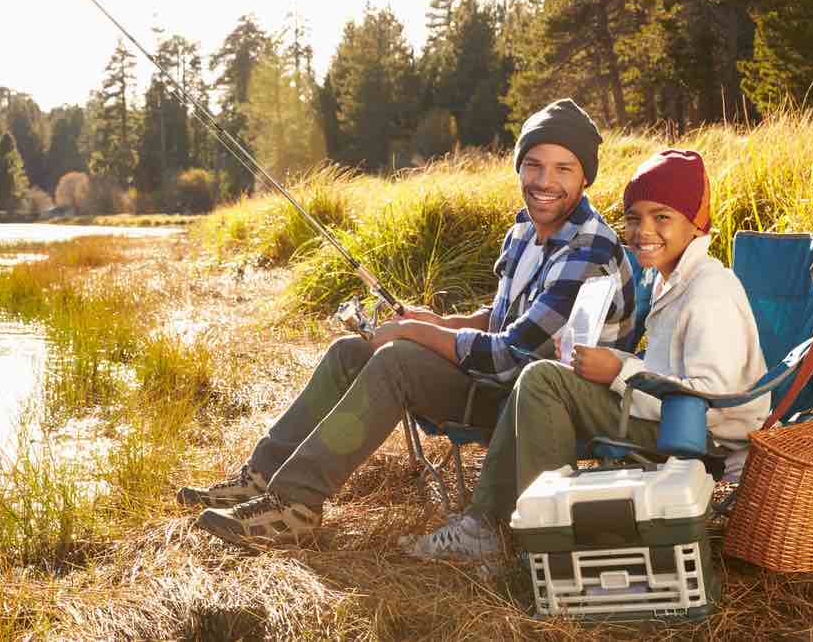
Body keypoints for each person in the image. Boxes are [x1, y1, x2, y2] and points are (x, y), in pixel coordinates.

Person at [178, 99, 637, 546]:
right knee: (350, 352)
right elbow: (498, 318)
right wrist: (437, 320)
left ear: (585, 177)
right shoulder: (523, 231)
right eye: (534, 165)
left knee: (397, 359)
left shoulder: (588, 249)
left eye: (563, 169)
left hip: (534, 407)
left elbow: (508, 356)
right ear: (519, 166)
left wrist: (415, 332)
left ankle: (292, 507)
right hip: (499, 384)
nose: (544, 181)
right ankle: (259, 479)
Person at [406, 149, 770, 560]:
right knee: (545, 376)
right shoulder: (672, 279)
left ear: (696, 223)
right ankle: (494, 525)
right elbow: (669, 373)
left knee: (544, 380)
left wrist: (619, 370)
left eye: (662, 217)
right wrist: (604, 364)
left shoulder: (708, 292)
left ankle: (541, 542)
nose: (643, 230)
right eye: (633, 218)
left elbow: (712, 400)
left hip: (701, 437)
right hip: (665, 414)